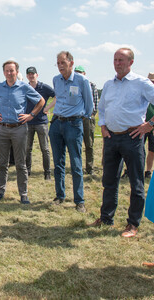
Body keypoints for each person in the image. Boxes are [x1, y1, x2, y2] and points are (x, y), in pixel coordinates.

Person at [89, 48, 154, 237]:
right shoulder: (109, 84)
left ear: (131, 63)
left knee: (136, 183)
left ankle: (133, 224)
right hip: (111, 138)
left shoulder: (141, 83)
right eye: (115, 60)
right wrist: (102, 126)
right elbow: (102, 107)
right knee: (109, 181)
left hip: (132, 138)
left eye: (121, 60)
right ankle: (106, 218)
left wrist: (149, 125)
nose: (117, 63)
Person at [0, 60, 45, 204]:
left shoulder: (24, 87)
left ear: (17, 72)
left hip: (19, 129)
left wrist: (31, 115)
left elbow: (41, 101)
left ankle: (23, 194)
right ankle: (0, 191)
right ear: (3, 72)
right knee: (2, 163)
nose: (9, 73)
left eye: (12, 70)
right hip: (2, 129)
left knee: (20, 163)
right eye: (7, 71)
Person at [49, 51, 93, 213]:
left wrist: (80, 120)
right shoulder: (56, 80)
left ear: (71, 63)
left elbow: (89, 105)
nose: (60, 66)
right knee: (58, 163)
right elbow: (58, 100)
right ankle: (60, 196)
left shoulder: (82, 80)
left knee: (75, 163)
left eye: (63, 63)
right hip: (56, 124)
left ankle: (79, 200)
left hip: (73, 125)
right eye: (58, 63)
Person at [25, 66, 55, 180]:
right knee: (27, 148)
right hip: (28, 122)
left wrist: (47, 107)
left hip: (41, 122)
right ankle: (27, 172)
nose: (31, 76)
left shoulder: (44, 87)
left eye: (33, 74)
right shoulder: (25, 87)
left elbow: (56, 96)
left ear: (37, 75)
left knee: (45, 149)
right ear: (27, 76)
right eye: (29, 74)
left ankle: (47, 173)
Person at [74, 65, 99, 175]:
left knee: (89, 144)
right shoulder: (73, 85)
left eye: (80, 72)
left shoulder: (91, 85)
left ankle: (89, 167)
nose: (78, 74)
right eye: (76, 72)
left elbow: (95, 102)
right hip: (76, 118)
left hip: (87, 119)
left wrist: (91, 114)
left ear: (84, 73)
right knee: (76, 144)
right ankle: (77, 166)